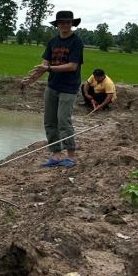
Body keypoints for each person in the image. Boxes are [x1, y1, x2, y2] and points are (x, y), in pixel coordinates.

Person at [22, 9, 85, 167]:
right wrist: (30, 80)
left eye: (68, 23)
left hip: (69, 87)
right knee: (50, 121)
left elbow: (72, 66)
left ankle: (70, 156)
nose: (65, 25)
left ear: (72, 24)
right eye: (62, 22)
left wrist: (49, 69)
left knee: (63, 120)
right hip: (52, 86)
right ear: (57, 25)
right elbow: (43, 65)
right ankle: (56, 154)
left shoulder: (76, 42)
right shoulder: (52, 42)